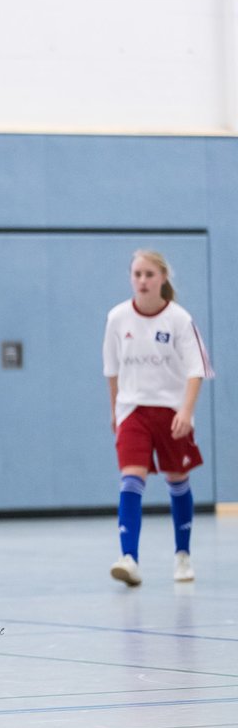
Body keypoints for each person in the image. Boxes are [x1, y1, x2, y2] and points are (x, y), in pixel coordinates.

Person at [102, 249, 213, 587]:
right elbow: (112, 370)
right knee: (131, 478)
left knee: (177, 480)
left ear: (163, 278)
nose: (142, 281)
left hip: (170, 410)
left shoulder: (179, 319)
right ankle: (129, 558)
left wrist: (186, 410)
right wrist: (115, 411)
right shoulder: (117, 318)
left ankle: (183, 556)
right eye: (137, 274)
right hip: (133, 410)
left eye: (149, 274)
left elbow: (197, 370)